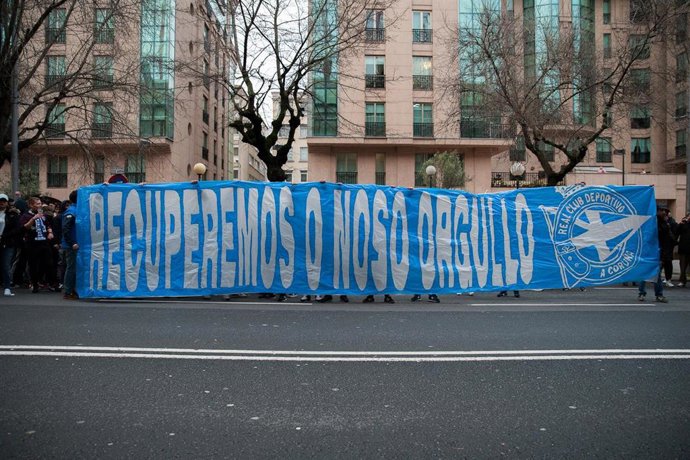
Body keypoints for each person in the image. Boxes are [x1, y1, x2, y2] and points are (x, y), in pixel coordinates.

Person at [19, 197, 57, 293]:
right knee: (33, 265)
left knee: (49, 263)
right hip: (32, 244)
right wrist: (33, 219)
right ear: (31, 205)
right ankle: (35, 284)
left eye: (40, 203)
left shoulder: (42, 214)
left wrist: (50, 232)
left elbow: (47, 224)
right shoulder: (25, 216)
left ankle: (52, 283)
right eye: (37, 204)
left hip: (44, 242)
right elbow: (25, 227)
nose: (40, 205)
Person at [638, 209, 669, 303]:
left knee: (656, 274)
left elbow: (665, 240)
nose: (663, 212)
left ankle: (658, 294)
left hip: (656, 252)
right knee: (644, 274)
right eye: (661, 210)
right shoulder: (648, 222)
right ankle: (642, 293)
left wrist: (663, 256)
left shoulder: (662, 224)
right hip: (646, 251)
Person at [0, 194, 22, 296]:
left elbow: (17, 229)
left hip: (7, 243)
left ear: (7, 202)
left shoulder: (12, 214)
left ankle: (7, 287)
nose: (2, 203)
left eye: (4, 201)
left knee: (6, 265)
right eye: (0, 201)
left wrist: (5, 236)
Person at [61, 191, 79, 300]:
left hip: (75, 244)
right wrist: (72, 243)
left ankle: (72, 290)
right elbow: (65, 229)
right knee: (71, 268)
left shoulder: (76, 210)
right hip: (72, 245)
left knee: (74, 267)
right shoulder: (71, 211)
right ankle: (68, 291)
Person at [659, 208, 677, 287]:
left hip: (667, 248)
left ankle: (668, 279)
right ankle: (661, 279)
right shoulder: (661, 224)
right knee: (662, 264)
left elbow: (674, 236)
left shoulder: (671, 223)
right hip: (662, 247)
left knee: (668, 264)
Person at [676, 213, 690, 287]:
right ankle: (682, 280)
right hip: (683, 248)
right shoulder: (683, 224)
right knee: (683, 266)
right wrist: (681, 224)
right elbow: (677, 232)